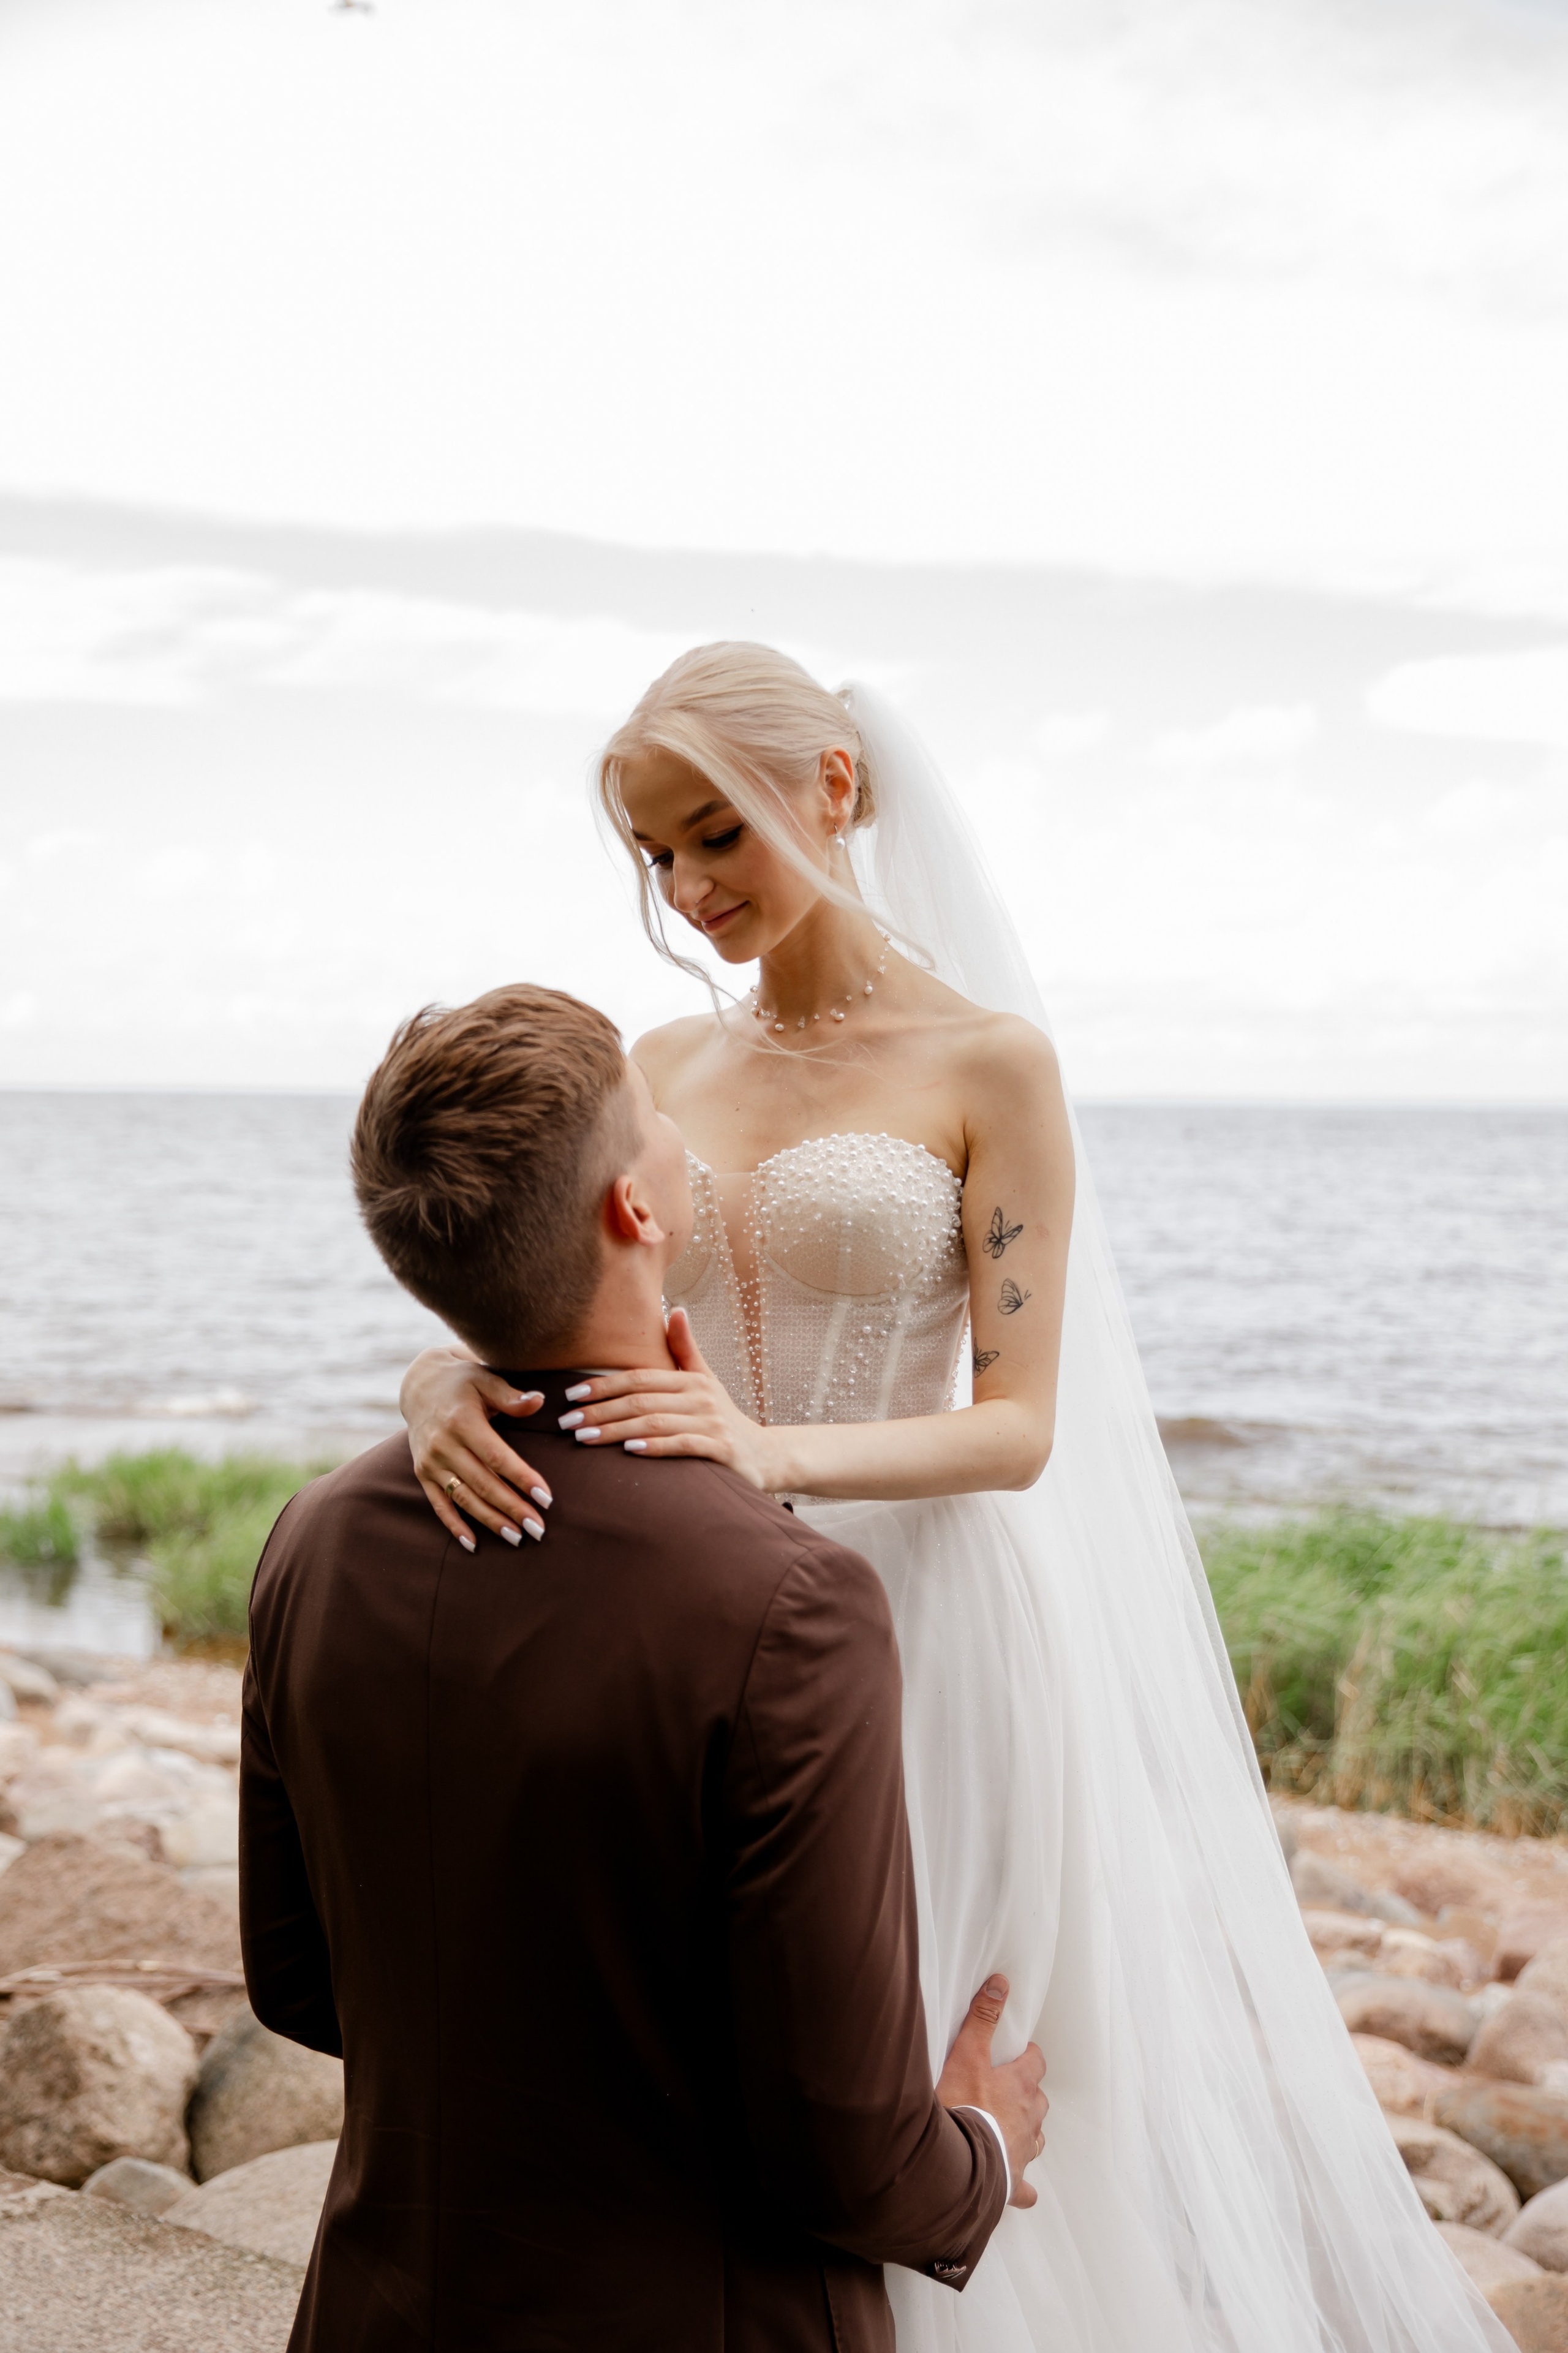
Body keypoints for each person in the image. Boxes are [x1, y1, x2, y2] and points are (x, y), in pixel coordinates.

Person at [398, 648, 1512, 2352]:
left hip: (921, 1613)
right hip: (675, 1613)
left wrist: (766, 1455)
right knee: (709, 2035)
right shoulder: (658, 1064)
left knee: (914, 2039)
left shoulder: (992, 1065)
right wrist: (432, 1382)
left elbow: (1017, 1428)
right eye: (656, 854)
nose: (688, 892)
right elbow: (542, 1287)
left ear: (831, 787)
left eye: (716, 835)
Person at [240, 980, 1046, 2353]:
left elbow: (297, 1983)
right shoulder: (791, 1605)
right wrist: (978, 2142)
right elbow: (847, 2151)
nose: (684, 1131)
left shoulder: (313, 1540)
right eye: (658, 1120)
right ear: (636, 1207)